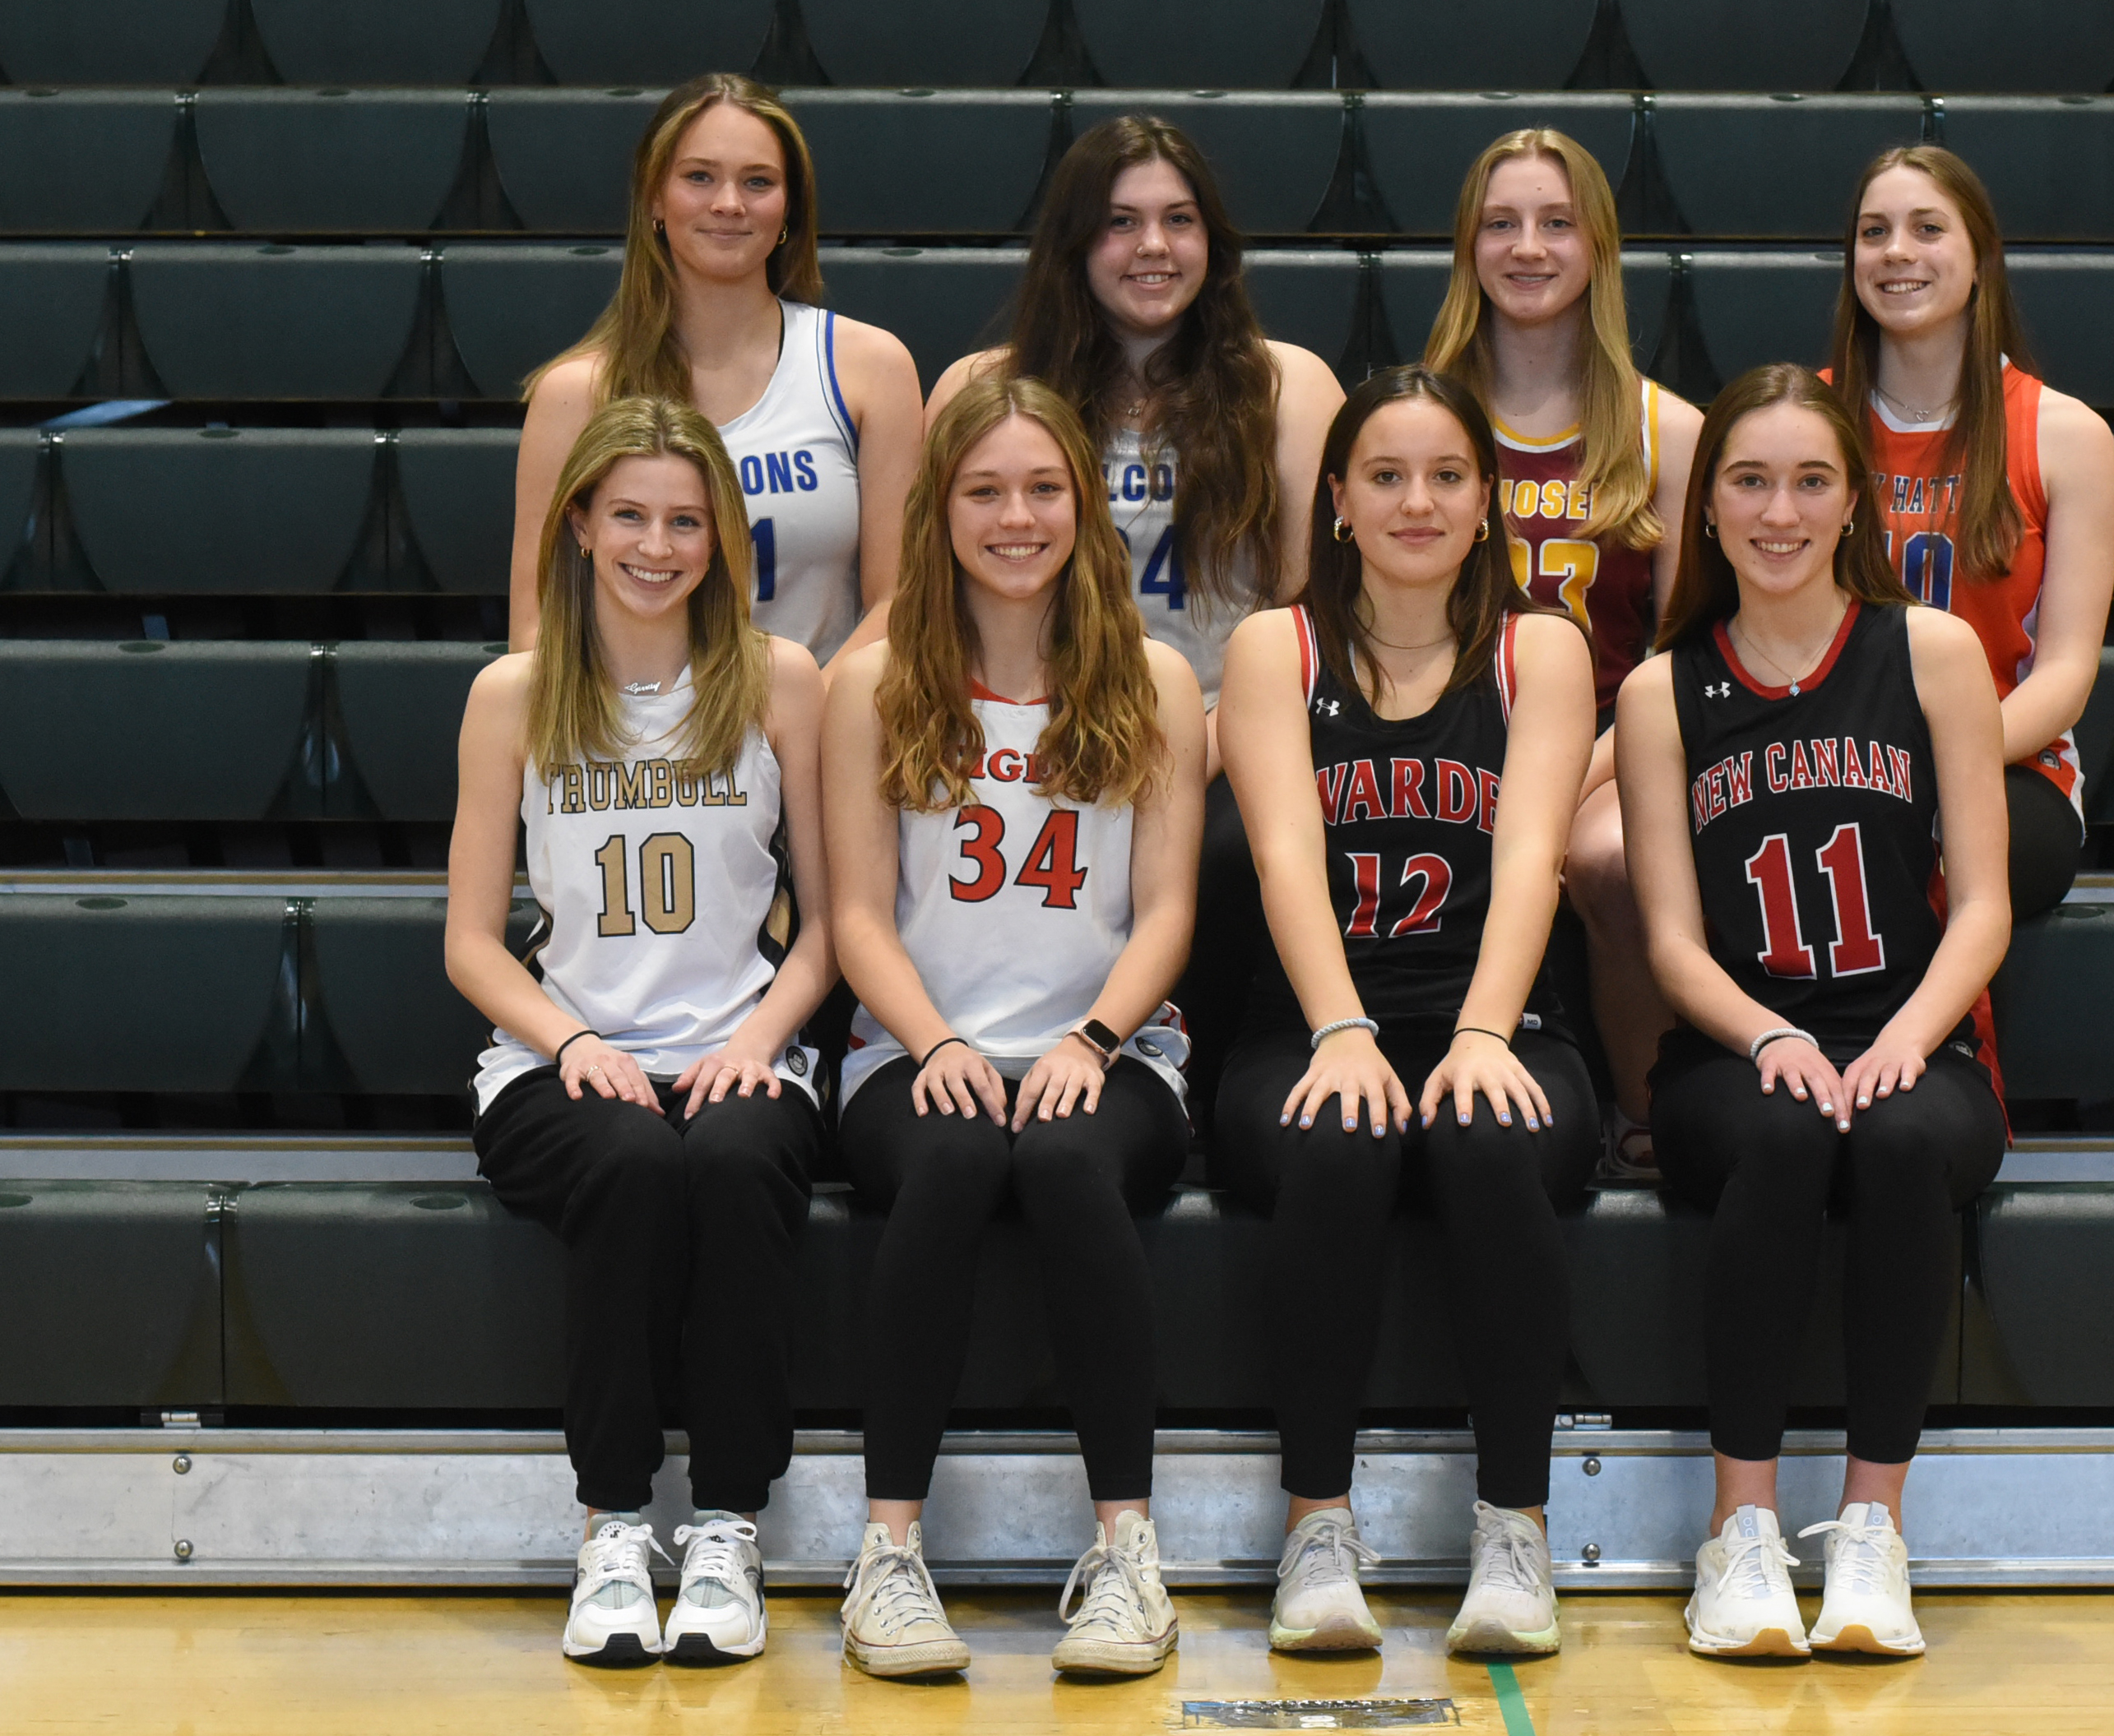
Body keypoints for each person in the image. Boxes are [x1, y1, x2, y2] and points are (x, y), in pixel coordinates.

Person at [1616, 364, 2011, 1661]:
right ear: (1708, 505)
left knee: (1899, 1138)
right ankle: (1738, 1531)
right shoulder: (1662, 689)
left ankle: (1872, 1531)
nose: (1778, 511)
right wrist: (1772, 1036)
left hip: (1913, 1033)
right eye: (1749, 481)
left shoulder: (1933, 652)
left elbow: (1985, 904)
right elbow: (1672, 943)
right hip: (1734, 1049)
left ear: (1853, 502)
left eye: (1809, 481)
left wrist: (1906, 1037)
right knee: (1786, 1131)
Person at [823, 375, 1207, 1680]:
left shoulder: (1155, 679)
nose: (1017, 516)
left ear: (1085, 506)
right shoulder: (874, 683)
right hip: (910, 1049)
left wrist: (1088, 1041)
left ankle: (1127, 1550)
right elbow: (858, 916)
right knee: (949, 1156)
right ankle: (888, 1553)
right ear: (939, 511)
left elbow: (1166, 911)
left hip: (1110, 1049)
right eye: (984, 490)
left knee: (1060, 1157)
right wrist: (937, 1045)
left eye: (1044, 488)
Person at [1214, 365, 1597, 1660]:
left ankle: (1514, 1530)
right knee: (1340, 1133)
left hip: (1503, 1020)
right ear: (1337, 499)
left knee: (1488, 1133)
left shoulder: (1540, 649)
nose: (1416, 501)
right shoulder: (1275, 647)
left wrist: (1482, 1032)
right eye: (1385, 475)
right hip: (1309, 1025)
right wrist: (1342, 1030)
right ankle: (1317, 1529)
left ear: (1488, 501)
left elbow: (1536, 852)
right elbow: (1284, 855)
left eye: (1445, 476)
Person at [448, 396, 835, 1665]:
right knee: (627, 1159)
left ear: (722, 538)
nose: (656, 546)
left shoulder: (780, 680)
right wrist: (571, 1043)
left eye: (685, 521)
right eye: (629, 515)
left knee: (727, 1159)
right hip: (561, 1058)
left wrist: (759, 1039)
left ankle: (726, 1527)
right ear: (578, 523)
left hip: (738, 1041)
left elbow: (833, 923)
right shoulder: (513, 693)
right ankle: (612, 1526)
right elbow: (469, 941)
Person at [929, 113, 1343, 1120]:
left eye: (1179, 219)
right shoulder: (985, 389)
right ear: (1074, 242)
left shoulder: (1288, 386)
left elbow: (1317, 615)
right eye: (1120, 222)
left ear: (1214, 240)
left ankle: (1204, 1095)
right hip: (1021, 727)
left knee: (1227, 849)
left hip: (1226, 731)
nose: (1153, 246)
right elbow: (921, 594)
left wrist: (1203, 744)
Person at [1424, 128, 1702, 1180]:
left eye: (1556, 223)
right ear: (1469, 246)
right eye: (1501, 223)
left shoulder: (1667, 430)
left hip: (1605, 748)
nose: (1528, 246)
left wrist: (1571, 774)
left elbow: (1689, 657)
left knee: (1612, 857)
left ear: (1600, 248)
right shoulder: (1415, 416)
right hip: (1437, 732)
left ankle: (1643, 1112)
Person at [510, 72, 923, 667]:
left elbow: (898, 602)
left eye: (758, 182)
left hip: (818, 718)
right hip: (631, 725)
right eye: (699, 176)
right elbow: (537, 627)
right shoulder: (578, 394)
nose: (729, 203)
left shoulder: (870, 368)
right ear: (655, 198)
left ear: (790, 207)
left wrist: (798, 713)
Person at [1825, 145, 2114, 920]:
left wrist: (1936, 759)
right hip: (1824, 757)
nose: (1897, 251)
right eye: (1874, 232)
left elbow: (2065, 676)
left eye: (1928, 228)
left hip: (2007, 761)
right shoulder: (1806, 423)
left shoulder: (2064, 434)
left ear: (1982, 256)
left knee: (1939, 840)